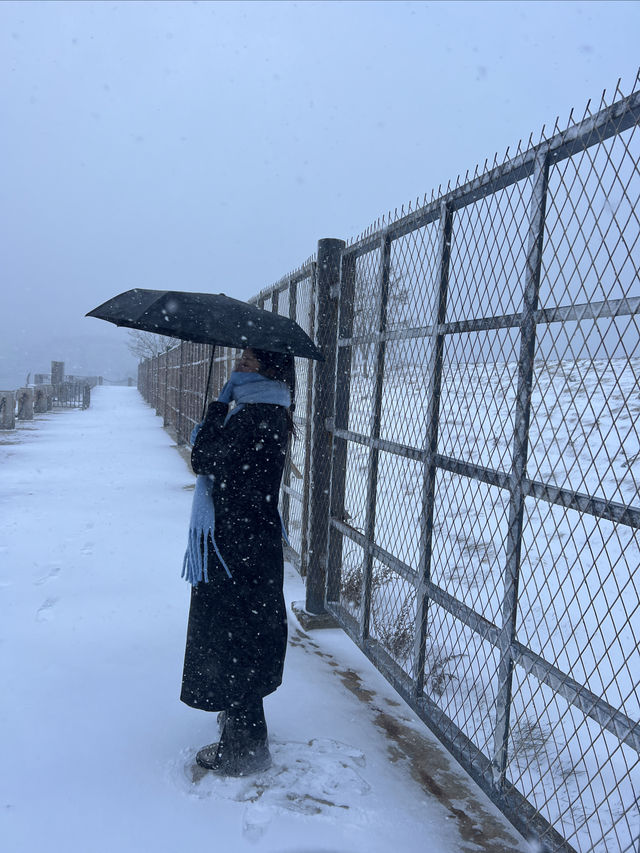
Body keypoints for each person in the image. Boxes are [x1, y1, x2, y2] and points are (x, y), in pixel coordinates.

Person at [180, 346, 295, 777]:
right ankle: (241, 728)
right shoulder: (264, 407)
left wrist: (214, 411)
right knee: (243, 632)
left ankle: (245, 751)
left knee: (236, 637)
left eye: (248, 361)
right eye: (240, 358)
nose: (239, 365)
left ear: (268, 369)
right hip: (247, 539)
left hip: (238, 543)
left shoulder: (253, 413)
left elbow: (205, 460)